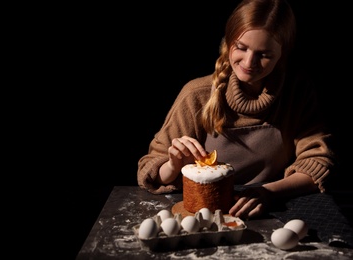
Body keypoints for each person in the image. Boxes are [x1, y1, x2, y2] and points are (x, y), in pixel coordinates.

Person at [137, 0, 336, 220]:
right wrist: (173, 165)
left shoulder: (297, 92)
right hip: (204, 216)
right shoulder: (196, 95)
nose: (249, 62)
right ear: (228, 42)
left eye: (264, 54)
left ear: (282, 53)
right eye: (241, 48)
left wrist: (267, 193)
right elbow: (149, 171)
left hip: (270, 213)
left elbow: (318, 163)